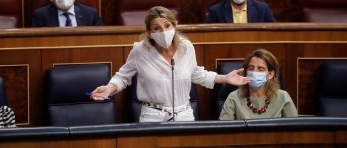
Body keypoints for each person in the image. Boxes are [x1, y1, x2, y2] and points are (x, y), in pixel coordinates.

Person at [90, 6, 252, 122]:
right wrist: (109, 88)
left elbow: (196, 74)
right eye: (157, 28)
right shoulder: (140, 50)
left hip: (184, 116)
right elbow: (123, 77)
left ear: (175, 25)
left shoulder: (186, 47)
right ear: (149, 33)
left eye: (167, 26)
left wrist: (225, 78)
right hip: (152, 116)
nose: (163, 31)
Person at [219, 48, 298, 120]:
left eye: (260, 69)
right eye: (251, 68)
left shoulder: (283, 97)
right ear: (246, 72)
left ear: (270, 74)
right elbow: (223, 131)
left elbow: (295, 130)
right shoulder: (234, 97)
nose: (254, 72)